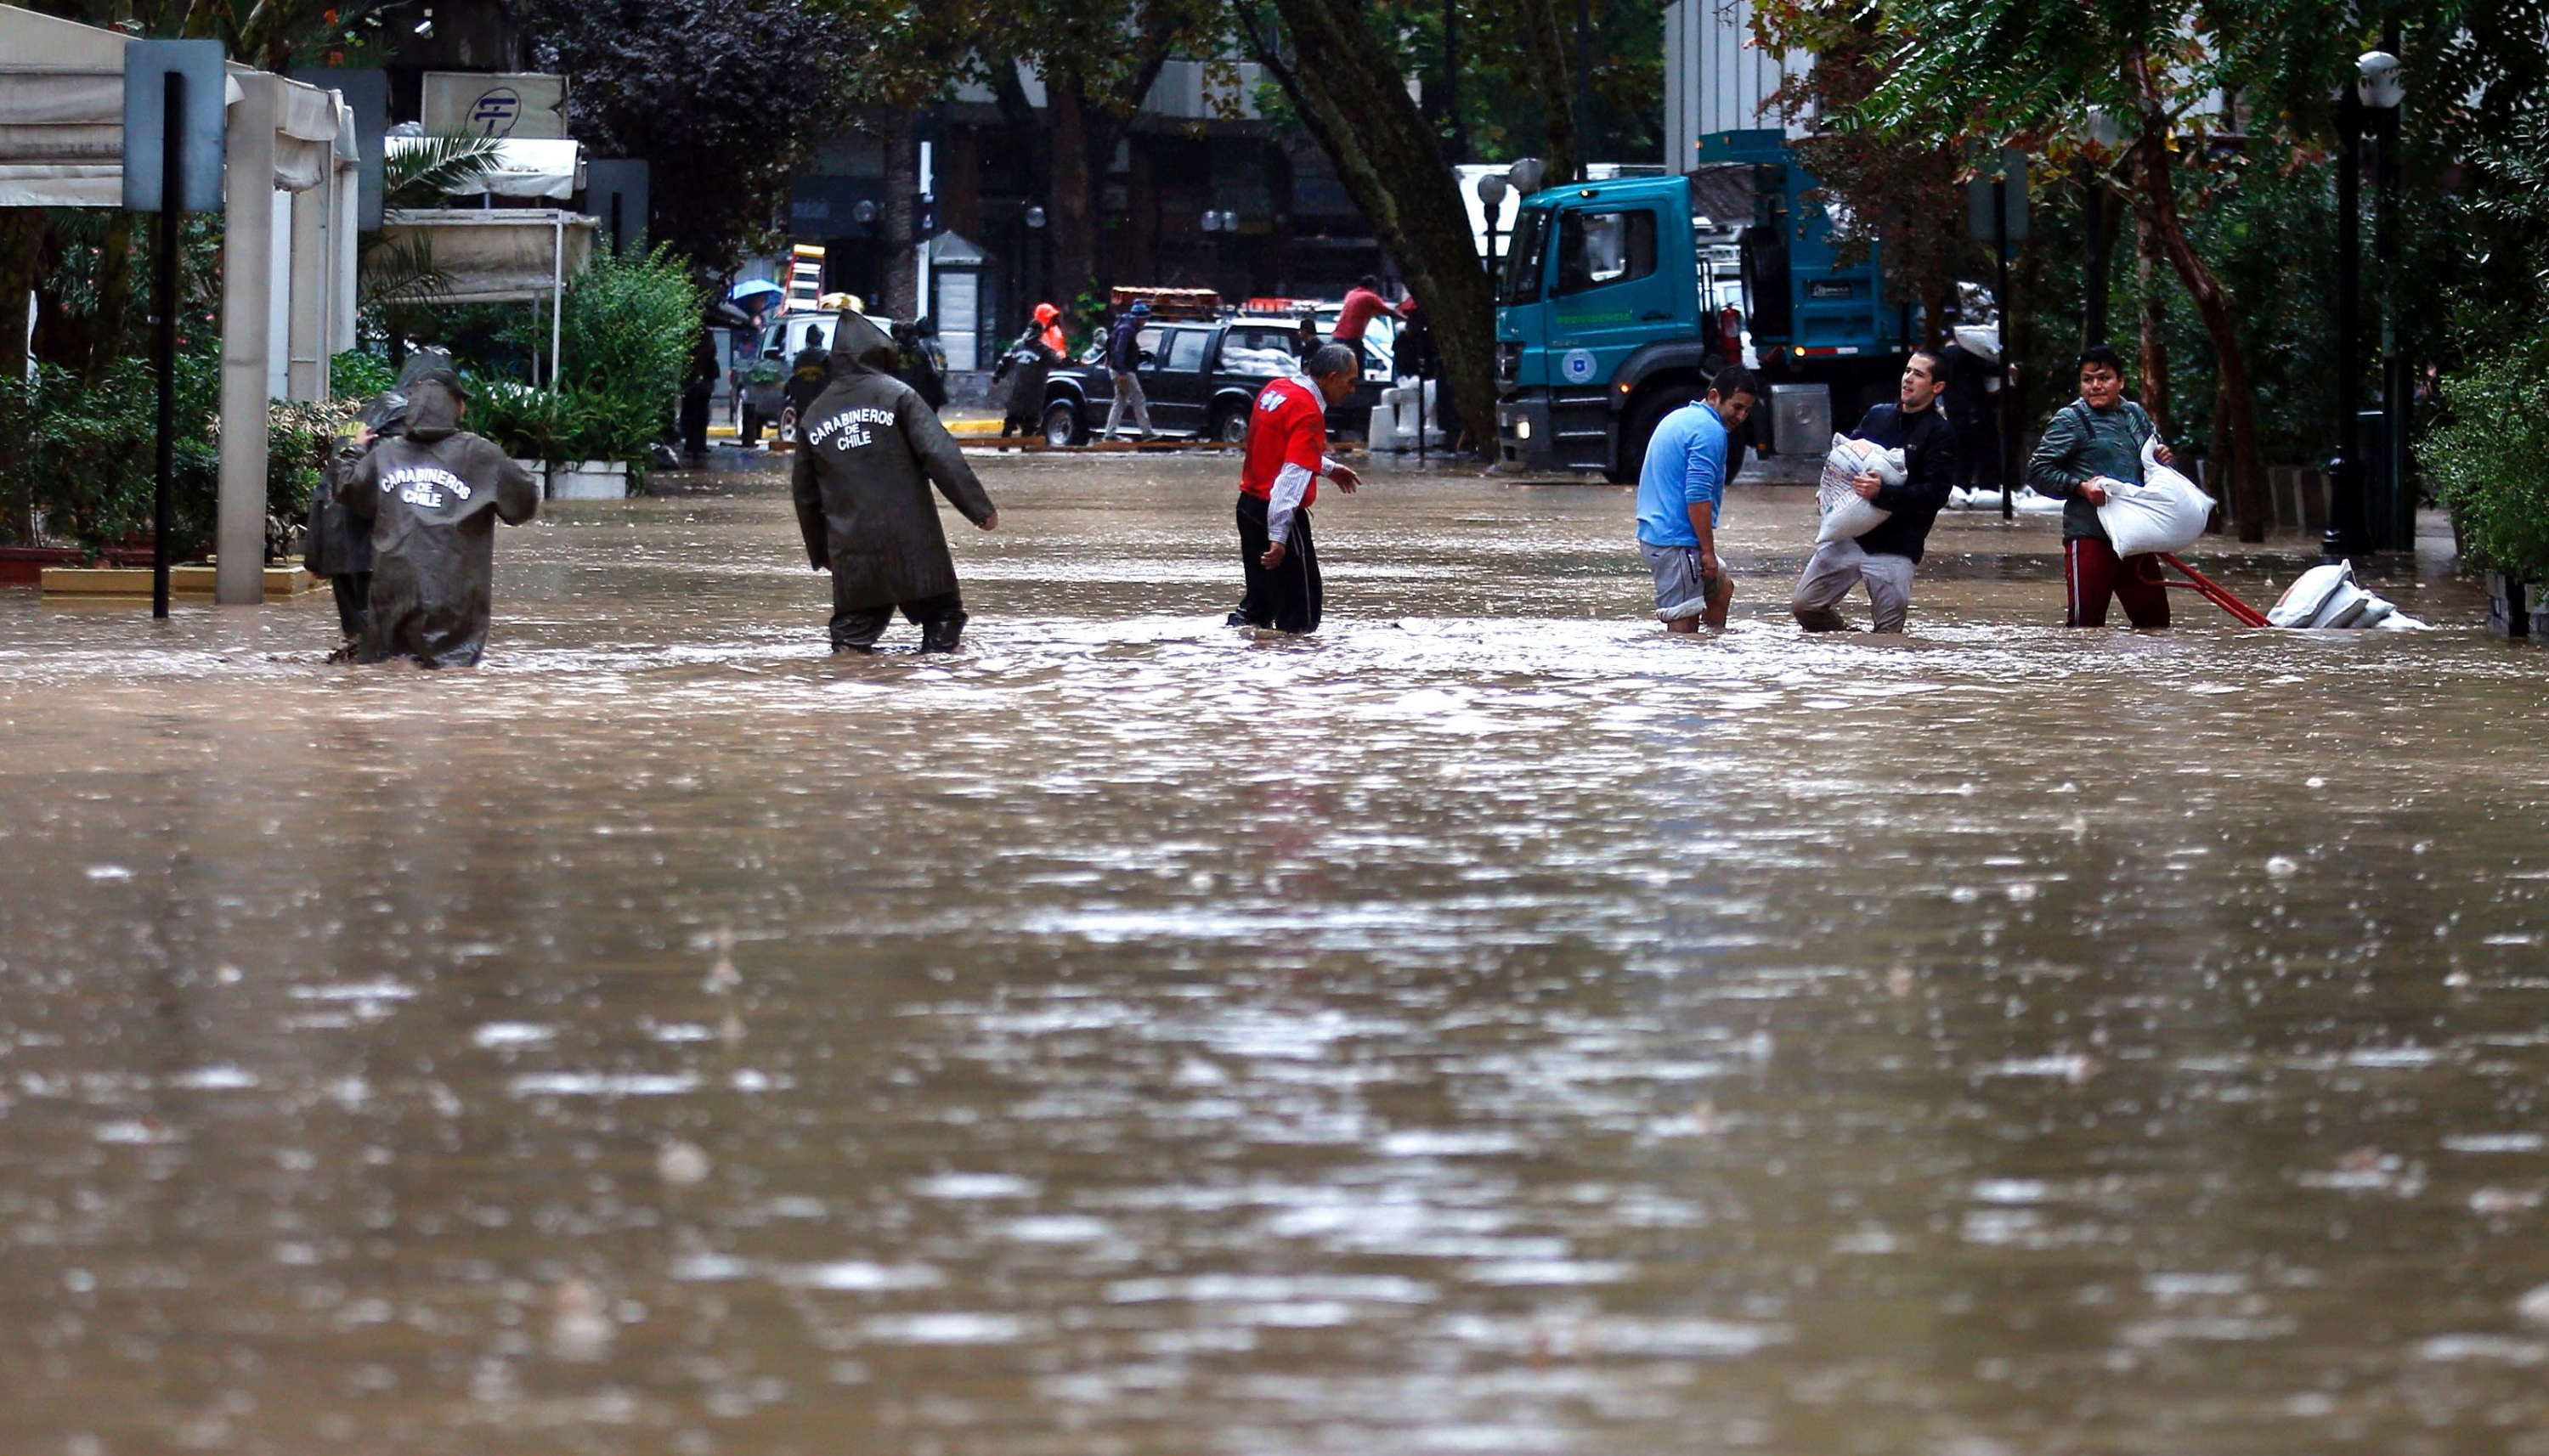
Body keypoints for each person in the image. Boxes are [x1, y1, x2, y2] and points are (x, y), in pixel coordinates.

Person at [791, 310, 999, 653]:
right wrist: (979, 510)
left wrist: (821, 553)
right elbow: (940, 454)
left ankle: (843, 702)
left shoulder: (815, 415)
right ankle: (934, 697)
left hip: (854, 557)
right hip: (915, 549)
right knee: (943, 622)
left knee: (849, 644)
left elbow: (806, 496)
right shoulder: (899, 396)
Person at [341, 362, 541, 668]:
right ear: (457, 407)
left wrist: (354, 451)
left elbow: (350, 492)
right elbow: (524, 504)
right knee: (450, 672)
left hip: (392, 591)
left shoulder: (385, 454)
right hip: (454, 595)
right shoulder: (482, 454)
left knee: (389, 670)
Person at [1790, 349, 1958, 634]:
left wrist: (1883, 494)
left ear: (1937, 387)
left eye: (1919, 375)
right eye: (1907, 371)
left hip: (1897, 547)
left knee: (1888, 637)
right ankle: (1848, 647)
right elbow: (1843, 457)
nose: (1908, 379)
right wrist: (1828, 490)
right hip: (1848, 536)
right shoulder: (1877, 416)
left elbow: (1935, 495)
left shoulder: (1939, 433)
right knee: (1805, 606)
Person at [2027, 344, 2178, 629]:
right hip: (2090, 535)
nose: (2095, 386)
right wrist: (2081, 487)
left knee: (2156, 625)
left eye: (2104, 378)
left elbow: (2154, 460)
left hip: (2136, 536)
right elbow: (2037, 471)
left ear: (2120, 381)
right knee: (2085, 628)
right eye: (2087, 380)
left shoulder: (2135, 415)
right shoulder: (2070, 419)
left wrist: (2164, 459)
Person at [1232, 342, 1363, 634]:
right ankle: (1296, 675)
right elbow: (1291, 477)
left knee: (1259, 608)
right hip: (1276, 511)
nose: (1352, 389)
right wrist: (1279, 537)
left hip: (1248, 506)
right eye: (1350, 381)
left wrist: (1327, 468)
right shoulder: (1308, 411)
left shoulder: (1277, 390)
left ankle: (1238, 663)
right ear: (1331, 377)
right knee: (1302, 617)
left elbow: (1281, 449)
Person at [1633, 365, 1759, 633]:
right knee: (1684, 624)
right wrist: (1708, 553)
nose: (1741, 416)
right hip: (1676, 543)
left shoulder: (1681, 418)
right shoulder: (1709, 432)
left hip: (1657, 534)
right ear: (1714, 396)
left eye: (1747, 410)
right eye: (1737, 407)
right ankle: (1685, 673)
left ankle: (1712, 658)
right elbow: (1698, 497)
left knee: (1721, 588)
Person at [994, 302, 1067, 438]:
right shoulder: (1042, 348)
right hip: (1035, 391)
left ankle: (1003, 446)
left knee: (1011, 419)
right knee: (1029, 421)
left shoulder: (1018, 345)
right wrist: (1073, 363)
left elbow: (1005, 360)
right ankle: (1024, 447)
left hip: (1017, 390)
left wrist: (998, 375)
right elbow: (1058, 360)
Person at [1102, 301, 1157, 441]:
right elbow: (1119, 350)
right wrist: (1122, 371)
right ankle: (1147, 432)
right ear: (1139, 318)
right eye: (1145, 319)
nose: (1145, 322)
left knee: (1120, 401)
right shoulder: (1127, 329)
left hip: (1116, 369)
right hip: (1124, 371)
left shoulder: (1121, 325)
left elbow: (1110, 343)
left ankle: (1110, 434)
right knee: (1138, 398)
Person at [782, 327, 829, 437]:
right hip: (820, 400)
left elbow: (793, 380)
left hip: (803, 401)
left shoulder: (799, 357)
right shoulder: (827, 357)